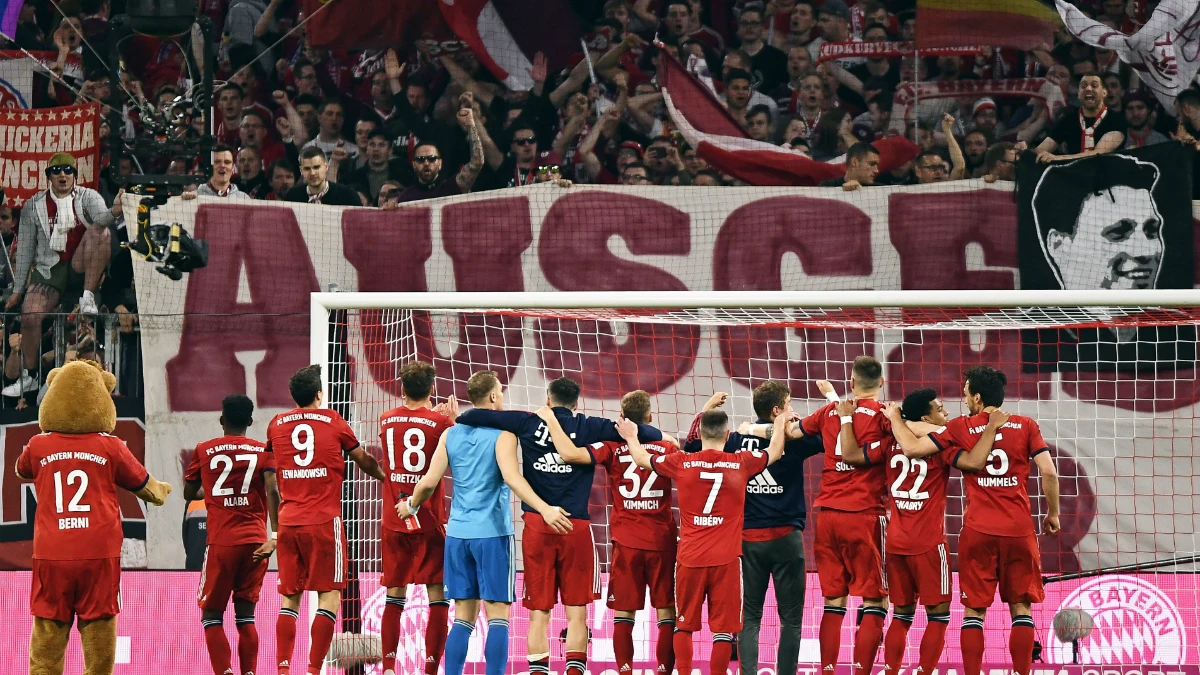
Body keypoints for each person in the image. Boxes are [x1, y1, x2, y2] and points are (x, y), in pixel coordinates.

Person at [455, 377, 664, 675]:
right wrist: (656, 434)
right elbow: (649, 433)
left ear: (548, 399)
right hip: (575, 527)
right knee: (577, 613)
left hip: (538, 525)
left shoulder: (526, 422)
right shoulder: (591, 425)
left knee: (539, 612)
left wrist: (456, 416)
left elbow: (472, 415)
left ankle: (539, 671)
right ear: (576, 403)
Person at [888, 366, 1061, 675]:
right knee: (1021, 609)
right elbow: (1048, 471)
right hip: (1019, 531)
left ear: (977, 398)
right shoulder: (1026, 425)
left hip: (978, 532)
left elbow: (913, 447)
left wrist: (894, 419)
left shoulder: (960, 427)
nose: (963, 398)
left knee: (974, 612)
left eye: (966, 393)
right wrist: (1053, 513)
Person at [399, 370, 572, 675]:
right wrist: (545, 508)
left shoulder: (451, 433)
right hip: (492, 534)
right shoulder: (503, 434)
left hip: (458, 536)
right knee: (498, 618)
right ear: (493, 396)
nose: (503, 396)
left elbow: (428, 482)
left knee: (463, 618)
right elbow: (512, 478)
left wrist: (410, 505)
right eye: (501, 392)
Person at [630, 409, 788, 675]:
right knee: (723, 631)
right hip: (726, 561)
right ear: (727, 435)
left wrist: (631, 436)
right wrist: (781, 423)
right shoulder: (741, 462)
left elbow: (641, 459)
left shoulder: (680, 461)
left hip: (690, 559)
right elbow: (775, 451)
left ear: (700, 434)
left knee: (684, 625)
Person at [867, 390, 1003, 674]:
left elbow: (857, 454)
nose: (947, 415)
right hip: (929, 544)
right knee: (938, 618)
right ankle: (924, 671)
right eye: (941, 409)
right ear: (927, 416)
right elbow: (973, 462)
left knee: (901, 616)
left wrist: (895, 421)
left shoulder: (890, 442)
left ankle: (891, 670)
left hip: (895, 543)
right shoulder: (943, 445)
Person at [266, 365, 387, 675]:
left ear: (293, 396)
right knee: (329, 598)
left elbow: (269, 480)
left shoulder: (276, 424)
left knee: (289, 601)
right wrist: (386, 478)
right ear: (319, 394)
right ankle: (312, 670)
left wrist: (276, 528)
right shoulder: (334, 420)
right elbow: (364, 460)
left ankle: (282, 669)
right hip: (324, 522)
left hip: (289, 521)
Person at [799, 356, 892, 675]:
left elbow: (794, 432)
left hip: (826, 515)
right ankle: (861, 671)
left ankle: (826, 670)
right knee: (875, 601)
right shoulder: (885, 416)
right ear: (882, 383)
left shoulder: (829, 412)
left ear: (851, 383)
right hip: (864, 514)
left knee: (833, 601)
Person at [4, 153, 118, 396]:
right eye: (57, 171)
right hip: (49, 268)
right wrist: (17, 291)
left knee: (101, 232)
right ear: (49, 177)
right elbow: (24, 250)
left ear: (75, 175)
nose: (63, 175)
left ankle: (87, 295)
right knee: (31, 315)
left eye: (68, 170)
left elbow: (103, 219)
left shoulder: (89, 197)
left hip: (79, 265)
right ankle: (32, 376)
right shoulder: (33, 206)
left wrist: (115, 210)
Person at [183, 394, 281, 675]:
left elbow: (190, 493)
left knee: (212, 616)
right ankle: (249, 672)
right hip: (255, 543)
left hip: (221, 544)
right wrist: (275, 535)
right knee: (246, 616)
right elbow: (273, 490)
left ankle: (224, 671)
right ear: (250, 421)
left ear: (221, 419)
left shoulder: (204, 449)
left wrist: (213, 493)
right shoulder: (264, 452)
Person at [586, 390, 679, 675]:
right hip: (662, 540)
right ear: (650, 417)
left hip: (626, 541)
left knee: (624, 614)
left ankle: (625, 670)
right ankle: (664, 669)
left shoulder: (611, 447)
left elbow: (582, 455)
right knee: (667, 612)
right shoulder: (668, 447)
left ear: (623, 418)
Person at [734, 382, 824, 675]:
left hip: (749, 541)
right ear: (776, 410)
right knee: (792, 620)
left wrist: (747, 428)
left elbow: (696, 444)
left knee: (750, 618)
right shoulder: (794, 439)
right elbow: (828, 436)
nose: (791, 409)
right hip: (787, 539)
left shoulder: (736, 440)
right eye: (787, 404)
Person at [376, 361, 455, 675]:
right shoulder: (442, 425)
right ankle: (430, 669)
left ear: (401, 388)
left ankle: (388, 668)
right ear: (432, 389)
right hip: (429, 521)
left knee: (394, 596)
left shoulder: (385, 420)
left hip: (394, 520)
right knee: (438, 596)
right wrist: (447, 419)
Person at [1031, 153, 1164, 290]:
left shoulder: (1176, 310)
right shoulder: (1030, 311)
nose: (1146, 251)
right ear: (1059, 246)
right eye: (1118, 233)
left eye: (1152, 232)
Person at [396, 108, 486, 203]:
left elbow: (477, 162)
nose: (426, 163)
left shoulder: (453, 187)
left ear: (440, 163)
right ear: (414, 164)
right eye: (421, 159)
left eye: (432, 159)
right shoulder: (405, 197)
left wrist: (471, 125)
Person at [1033, 73, 1126, 162]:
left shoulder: (1117, 120)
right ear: (1078, 93)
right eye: (1083, 86)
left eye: (1094, 85)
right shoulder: (1068, 119)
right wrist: (1023, 151)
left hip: (1106, 176)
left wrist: (1057, 158)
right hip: (1073, 176)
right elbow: (1041, 150)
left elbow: (1098, 153)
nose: (1088, 89)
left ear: (1104, 92)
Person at [284, 147, 363, 206]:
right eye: (307, 169)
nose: (312, 173)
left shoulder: (348, 196)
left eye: (316, 167)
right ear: (301, 171)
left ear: (326, 167)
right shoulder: (292, 197)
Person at [182, 146, 249, 199]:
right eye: (217, 162)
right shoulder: (194, 197)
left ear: (233, 168)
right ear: (210, 167)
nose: (222, 166)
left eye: (227, 162)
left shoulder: (243, 199)